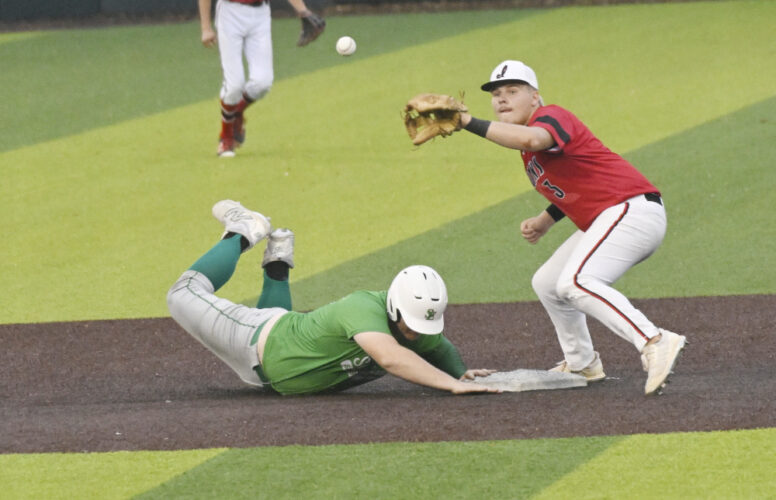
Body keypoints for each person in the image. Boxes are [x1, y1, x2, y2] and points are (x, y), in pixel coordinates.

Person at [456, 60, 687, 396]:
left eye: (512, 91)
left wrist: (466, 122)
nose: (501, 99)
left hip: (631, 212)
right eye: (496, 93)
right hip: (614, 215)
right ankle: (582, 362)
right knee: (548, 283)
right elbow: (577, 185)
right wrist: (545, 221)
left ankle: (654, 339)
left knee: (576, 281)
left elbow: (534, 138)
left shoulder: (550, 117)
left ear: (535, 97)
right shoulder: (527, 150)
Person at [166, 200, 499, 395]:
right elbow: (391, 358)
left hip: (275, 354)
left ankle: (278, 263)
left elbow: (440, 347)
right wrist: (449, 385)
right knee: (182, 294)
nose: (415, 335)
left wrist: (460, 374)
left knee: (287, 325)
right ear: (393, 307)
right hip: (249, 338)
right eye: (410, 327)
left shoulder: (420, 329)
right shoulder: (362, 308)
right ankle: (242, 230)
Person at [198, 0, 326, 157]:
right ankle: (226, 138)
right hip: (230, 13)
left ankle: (235, 113)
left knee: (262, 83)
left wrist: (303, 10)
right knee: (234, 86)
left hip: (260, 15)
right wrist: (206, 27)